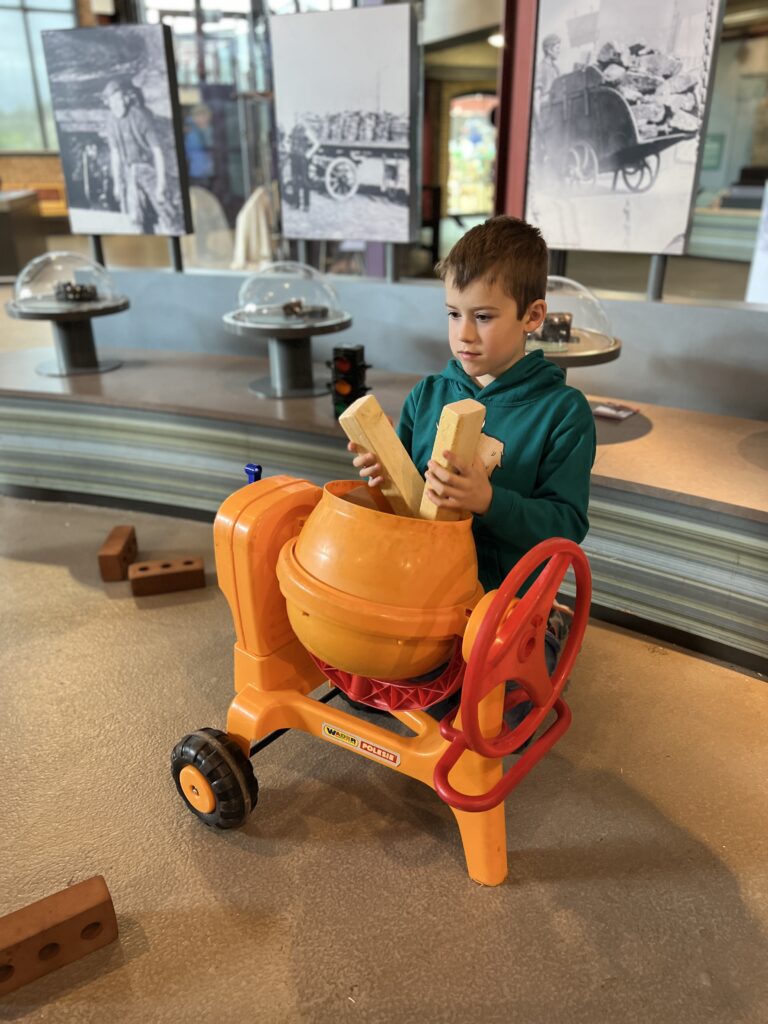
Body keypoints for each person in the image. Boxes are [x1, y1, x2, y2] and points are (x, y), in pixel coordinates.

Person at [347, 215, 595, 726]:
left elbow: (566, 526)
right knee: (357, 676)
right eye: (452, 313)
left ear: (532, 316)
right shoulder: (427, 394)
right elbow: (414, 512)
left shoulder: (563, 413)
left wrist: (489, 501)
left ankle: (549, 625)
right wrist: (385, 480)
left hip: (503, 601)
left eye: (483, 317)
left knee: (499, 721)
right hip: (426, 592)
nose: (463, 336)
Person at [102, 78, 174, 234]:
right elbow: (115, 154)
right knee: (134, 218)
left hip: (148, 170)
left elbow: (157, 151)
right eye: (111, 101)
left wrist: (161, 183)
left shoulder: (140, 117)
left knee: (166, 212)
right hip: (130, 172)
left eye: (119, 99)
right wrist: (117, 183)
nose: (116, 105)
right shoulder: (110, 122)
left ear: (126, 99)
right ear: (107, 103)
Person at [288, 117, 320, 212]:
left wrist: (308, 154)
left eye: (299, 119)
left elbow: (316, 143)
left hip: (303, 159)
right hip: (294, 158)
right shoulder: (293, 130)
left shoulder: (306, 130)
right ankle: (296, 203)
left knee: (305, 181)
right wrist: (288, 149)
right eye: (296, 118)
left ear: (302, 120)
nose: (298, 120)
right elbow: (289, 141)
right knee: (294, 181)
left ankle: (306, 205)